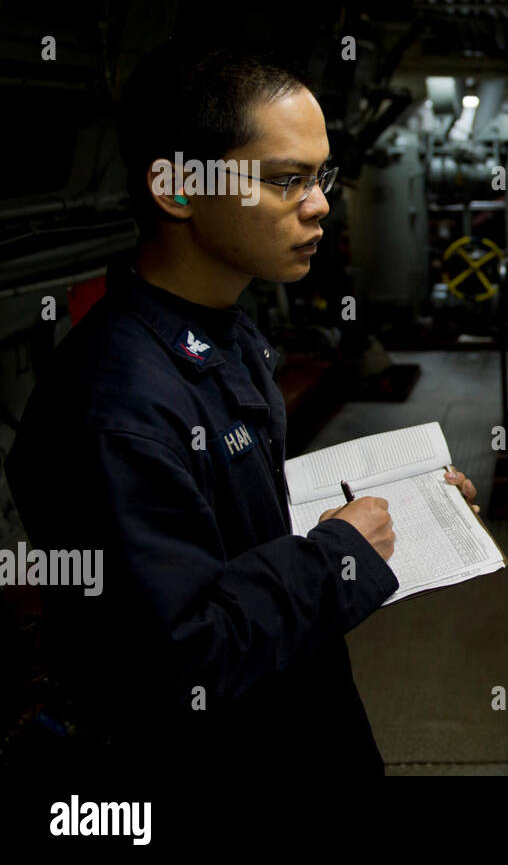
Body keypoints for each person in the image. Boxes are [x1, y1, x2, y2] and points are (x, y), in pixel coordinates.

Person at [5, 41, 478, 777]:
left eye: (322, 176)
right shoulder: (115, 411)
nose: (322, 204)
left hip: (294, 717)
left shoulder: (226, 333)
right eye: (288, 180)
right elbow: (177, 662)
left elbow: (230, 535)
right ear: (178, 188)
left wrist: (406, 512)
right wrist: (338, 558)